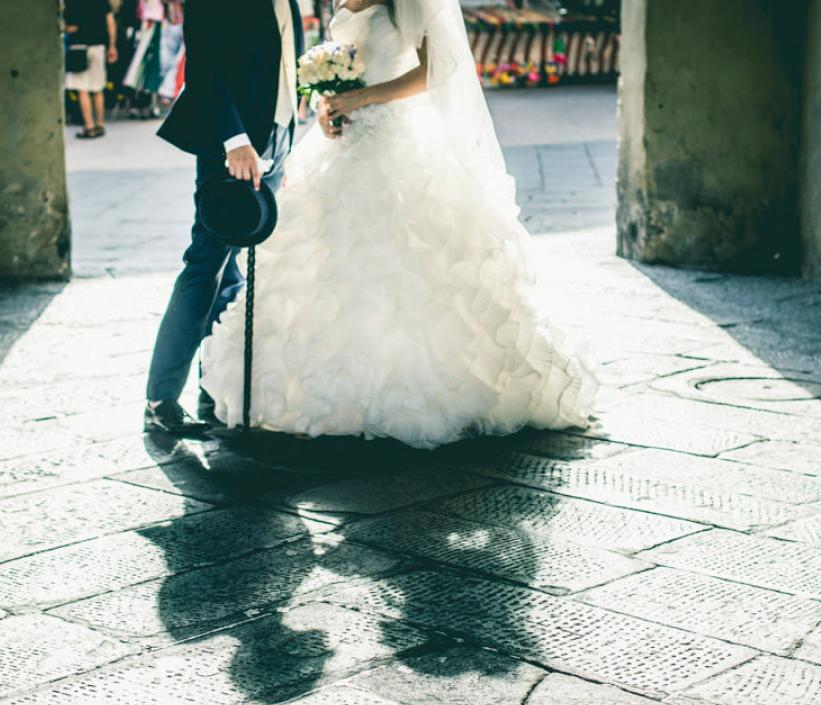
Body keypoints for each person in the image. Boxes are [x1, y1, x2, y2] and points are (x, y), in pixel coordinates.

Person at [195, 0, 596, 447]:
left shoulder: (407, 4)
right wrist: (331, 108)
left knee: (403, 262)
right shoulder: (340, 2)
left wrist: (361, 97)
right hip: (346, 142)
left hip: (397, 141)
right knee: (328, 263)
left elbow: (433, 70)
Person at [144, 0, 305, 434]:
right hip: (234, 142)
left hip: (277, 135)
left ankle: (216, 378)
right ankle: (160, 398)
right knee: (207, 263)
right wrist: (235, 140)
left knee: (233, 265)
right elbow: (206, 71)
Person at [65, 0, 118, 139]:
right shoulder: (102, 2)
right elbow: (111, 23)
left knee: (83, 89)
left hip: (78, 47)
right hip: (98, 46)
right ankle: (100, 124)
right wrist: (112, 46)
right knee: (98, 89)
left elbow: (68, 27)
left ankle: (89, 127)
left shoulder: (71, 2)